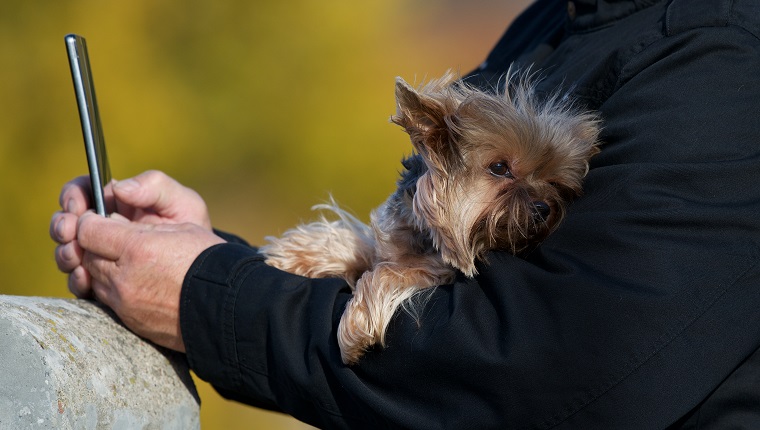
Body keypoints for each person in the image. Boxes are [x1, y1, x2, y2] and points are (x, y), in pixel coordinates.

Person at [50, 0, 760, 428]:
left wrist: (207, 297)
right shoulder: (561, 22)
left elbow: (526, 372)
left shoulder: (720, 59)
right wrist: (213, 260)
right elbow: (419, 293)